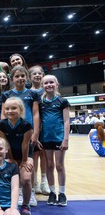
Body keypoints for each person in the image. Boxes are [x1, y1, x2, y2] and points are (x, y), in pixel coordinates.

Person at [1, 65, 40, 207]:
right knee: (12, 173)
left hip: (26, 134)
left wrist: (35, 133)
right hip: (11, 136)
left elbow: (35, 114)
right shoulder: (6, 96)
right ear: (12, 79)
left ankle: (30, 194)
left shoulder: (32, 94)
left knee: (28, 169)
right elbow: (4, 141)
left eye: (23, 76)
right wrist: (10, 157)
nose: (20, 78)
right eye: (17, 76)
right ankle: (15, 194)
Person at [0, 97, 33, 215]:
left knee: (26, 179)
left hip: (26, 154)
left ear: (21, 109)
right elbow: (5, 143)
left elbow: (25, 144)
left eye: (13, 108)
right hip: (11, 154)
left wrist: (24, 161)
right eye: (7, 108)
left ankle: (26, 204)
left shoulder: (26, 125)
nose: (10, 111)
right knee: (7, 177)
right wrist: (11, 158)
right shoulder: (2, 124)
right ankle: (8, 203)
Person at [39, 75, 70, 206]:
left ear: (56, 84)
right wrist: (38, 138)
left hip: (58, 137)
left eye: (51, 82)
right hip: (46, 139)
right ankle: (52, 192)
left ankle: (62, 193)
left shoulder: (62, 101)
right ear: (42, 86)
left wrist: (66, 139)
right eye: (46, 83)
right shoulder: (41, 102)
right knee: (49, 166)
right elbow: (39, 121)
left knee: (59, 165)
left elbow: (67, 121)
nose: (49, 85)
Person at [29, 65, 50, 195]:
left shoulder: (47, 91)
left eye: (39, 73)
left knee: (45, 156)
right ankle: (35, 182)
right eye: (34, 74)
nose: (37, 75)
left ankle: (44, 181)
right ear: (30, 77)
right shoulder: (29, 93)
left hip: (46, 128)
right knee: (34, 155)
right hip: (34, 128)